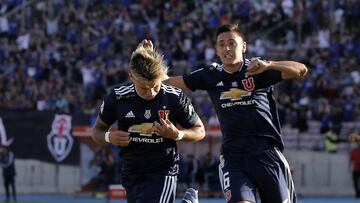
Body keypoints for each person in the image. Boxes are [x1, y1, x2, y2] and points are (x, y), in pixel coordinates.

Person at [164, 24, 308, 203]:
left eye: (232, 43)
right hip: (234, 156)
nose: (227, 48)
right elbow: (172, 82)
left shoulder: (258, 69)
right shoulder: (211, 74)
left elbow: (301, 69)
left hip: (267, 153)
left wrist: (269, 64)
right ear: (216, 50)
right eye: (222, 44)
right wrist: (146, 71)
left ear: (244, 46)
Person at [91, 40, 205, 203]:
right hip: (131, 172)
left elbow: (199, 130)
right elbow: (96, 131)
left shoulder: (174, 97)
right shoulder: (118, 97)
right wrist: (109, 137)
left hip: (162, 171)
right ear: (131, 77)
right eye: (144, 87)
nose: (151, 92)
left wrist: (177, 134)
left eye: (155, 86)